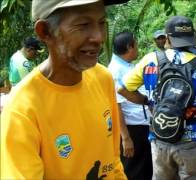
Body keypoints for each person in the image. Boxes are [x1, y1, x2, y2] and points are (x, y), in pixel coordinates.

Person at [1, 0, 129, 179]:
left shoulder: (103, 79)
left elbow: (113, 163)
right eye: (83, 25)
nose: (99, 37)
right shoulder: (22, 110)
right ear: (45, 32)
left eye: (102, 23)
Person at [118, 15, 196, 179]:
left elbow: (123, 89)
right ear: (192, 37)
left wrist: (148, 101)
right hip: (193, 141)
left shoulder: (150, 60)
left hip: (160, 139)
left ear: (168, 38)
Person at [108, 31, 152, 180]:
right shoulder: (115, 70)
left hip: (141, 125)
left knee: (144, 167)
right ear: (129, 47)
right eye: (136, 45)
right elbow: (116, 106)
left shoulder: (128, 66)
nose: (138, 48)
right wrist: (126, 137)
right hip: (132, 129)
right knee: (133, 170)